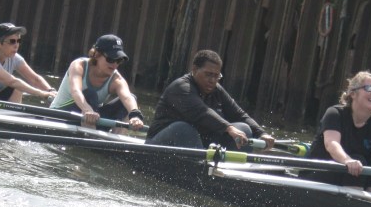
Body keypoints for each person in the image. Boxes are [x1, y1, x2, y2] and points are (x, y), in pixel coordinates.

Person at [146, 49, 274, 150]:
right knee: (183, 128)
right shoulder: (181, 87)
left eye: (216, 76)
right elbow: (202, 112)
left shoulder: (216, 89)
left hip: (196, 145)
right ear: (194, 69)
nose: (212, 80)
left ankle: (233, 169)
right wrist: (229, 128)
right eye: (208, 74)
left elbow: (239, 114)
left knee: (243, 128)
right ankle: (200, 168)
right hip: (158, 145)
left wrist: (261, 133)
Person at [50, 34, 144, 129]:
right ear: (96, 54)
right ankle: (89, 130)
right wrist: (87, 110)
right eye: (111, 59)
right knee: (90, 94)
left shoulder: (117, 79)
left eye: (119, 60)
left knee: (131, 99)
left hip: (92, 119)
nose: (115, 65)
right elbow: (76, 91)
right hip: (58, 117)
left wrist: (135, 116)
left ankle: (116, 136)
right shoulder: (79, 65)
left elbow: (127, 98)